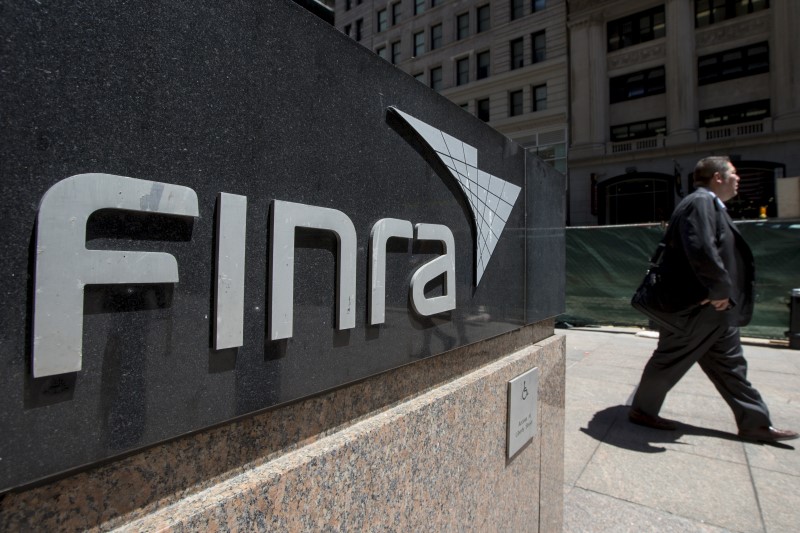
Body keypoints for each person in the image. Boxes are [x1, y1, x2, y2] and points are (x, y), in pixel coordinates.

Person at [629, 156, 798, 442]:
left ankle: (755, 423)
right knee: (669, 359)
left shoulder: (708, 204)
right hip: (700, 308)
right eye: (733, 174)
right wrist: (718, 292)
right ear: (717, 177)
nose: (738, 179)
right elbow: (700, 248)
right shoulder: (700, 202)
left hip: (716, 310)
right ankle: (642, 411)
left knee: (731, 365)